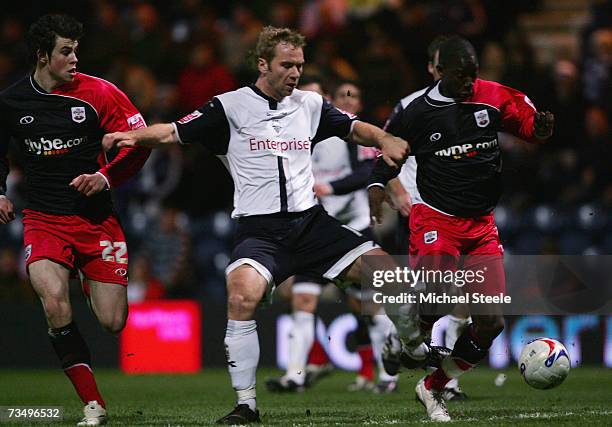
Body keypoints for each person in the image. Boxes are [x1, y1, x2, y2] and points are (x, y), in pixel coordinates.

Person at [102, 26, 409, 425]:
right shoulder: (227, 107)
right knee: (241, 298)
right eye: (287, 65)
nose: (296, 73)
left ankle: (412, 348)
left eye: (299, 65)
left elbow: (355, 128)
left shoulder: (311, 105)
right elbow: (172, 132)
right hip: (261, 232)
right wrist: (130, 136)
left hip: (312, 224)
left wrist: (384, 138)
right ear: (263, 64)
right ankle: (246, 405)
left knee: (390, 275)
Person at [368, 36, 554, 422]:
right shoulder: (416, 112)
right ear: (439, 72)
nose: (469, 83)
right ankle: (405, 338)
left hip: (482, 224)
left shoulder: (491, 95)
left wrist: (540, 128)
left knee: (490, 322)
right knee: (436, 298)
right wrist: (377, 188)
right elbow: (386, 156)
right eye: (461, 76)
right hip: (436, 217)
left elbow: (529, 125)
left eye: (473, 75)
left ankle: (432, 386)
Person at [0, 14, 150, 426]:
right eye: (66, 52)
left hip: (97, 222)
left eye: (76, 50)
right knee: (53, 301)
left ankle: (87, 274)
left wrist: (105, 177)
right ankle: (94, 405)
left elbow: (138, 145)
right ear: (42, 56)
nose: (74, 58)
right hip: (44, 220)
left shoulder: (100, 93)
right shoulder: (11, 102)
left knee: (112, 322)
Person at [264, 80, 398, 394]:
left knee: (368, 307)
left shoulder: (345, 132)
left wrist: (331, 188)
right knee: (302, 298)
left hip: (351, 234)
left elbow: (369, 171)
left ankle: (388, 377)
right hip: (317, 232)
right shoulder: (297, 137)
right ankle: (296, 375)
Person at [384, 35, 471, 401]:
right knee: (443, 292)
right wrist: (398, 190)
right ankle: (407, 342)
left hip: (467, 210)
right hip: (425, 208)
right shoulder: (410, 106)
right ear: (432, 68)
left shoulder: (472, 104)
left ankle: (440, 376)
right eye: (442, 65)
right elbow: (385, 150)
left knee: (463, 298)